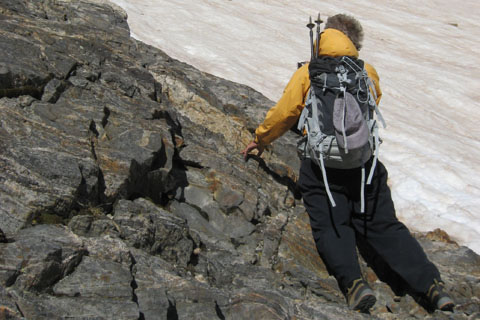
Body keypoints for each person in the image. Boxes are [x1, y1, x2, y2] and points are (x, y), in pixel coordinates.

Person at [241, 14, 455, 313]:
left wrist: (260, 140)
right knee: (384, 225)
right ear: (354, 43)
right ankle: (432, 286)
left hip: (322, 168)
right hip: (364, 164)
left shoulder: (309, 72)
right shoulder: (367, 71)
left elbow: (285, 113)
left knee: (331, 224)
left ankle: (355, 285)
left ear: (323, 39)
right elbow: (371, 104)